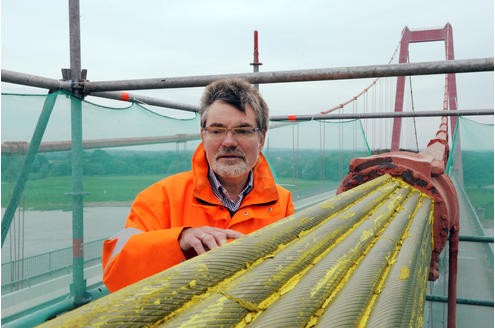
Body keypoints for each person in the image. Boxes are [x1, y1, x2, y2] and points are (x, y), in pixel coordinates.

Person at [102, 78, 294, 292]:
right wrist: (179, 240)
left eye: (242, 130)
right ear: (203, 135)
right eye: (217, 130)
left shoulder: (281, 200)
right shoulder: (160, 198)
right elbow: (115, 271)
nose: (229, 142)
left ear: (261, 138)